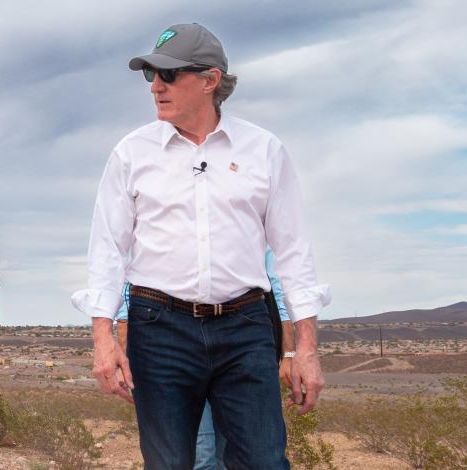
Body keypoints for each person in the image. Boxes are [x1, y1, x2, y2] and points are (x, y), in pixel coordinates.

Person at [81, 23, 330, 469]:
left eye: (168, 75)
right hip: (159, 330)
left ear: (211, 80)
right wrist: (103, 337)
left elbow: (293, 254)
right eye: (150, 76)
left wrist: (305, 348)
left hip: (245, 328)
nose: (156, 86)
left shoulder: (264, 151)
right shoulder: (131, 154)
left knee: (264, 461)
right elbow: (108, 250)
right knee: (171, 463)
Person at [101, 249, 295, 470]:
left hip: (242, 337)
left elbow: (278, 290)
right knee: (200, 453)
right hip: (169, 337)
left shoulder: (248, 229)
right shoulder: (155, 229)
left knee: (242, 453)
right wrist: (125, 350)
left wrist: (289, 353)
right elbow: (128, 286)